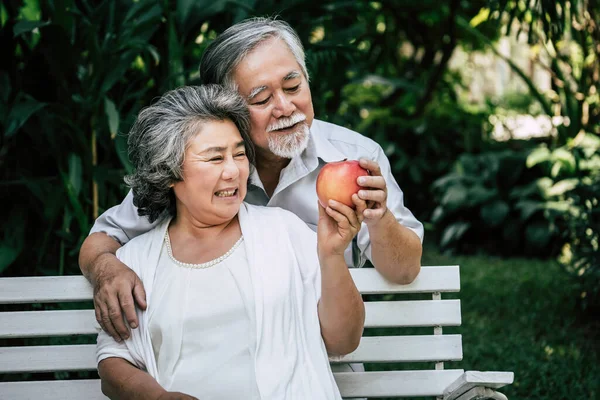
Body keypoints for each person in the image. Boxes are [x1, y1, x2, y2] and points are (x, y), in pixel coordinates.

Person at [79, 16, 423, 346]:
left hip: (326, 351)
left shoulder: (356, 156)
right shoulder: (197, 169)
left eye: (293, 86)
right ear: (226, 108)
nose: (285, 106)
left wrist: (380, 221)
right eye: (261, 99)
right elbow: (104, 238)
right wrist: (107, 270)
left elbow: (404, 271)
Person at [96, 84, 365, 400]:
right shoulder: (135, 261)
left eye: (239, 154)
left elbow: (344, 341)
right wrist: (156, 397)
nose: (233, 171)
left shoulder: (284, 231)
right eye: (214, 158)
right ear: (168, 172)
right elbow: (113, 362)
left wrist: (332, 254)